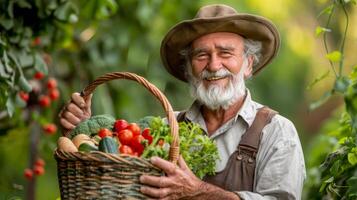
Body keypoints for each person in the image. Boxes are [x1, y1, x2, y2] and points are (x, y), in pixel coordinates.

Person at [59, 4, 306, 200]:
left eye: (226, 53)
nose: (213, 65)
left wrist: (199, 192)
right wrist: (82, 130)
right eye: (201, 55)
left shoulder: (276, 132)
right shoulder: (163, 128)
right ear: (189, 68)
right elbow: (116, 178)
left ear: (249, 64)